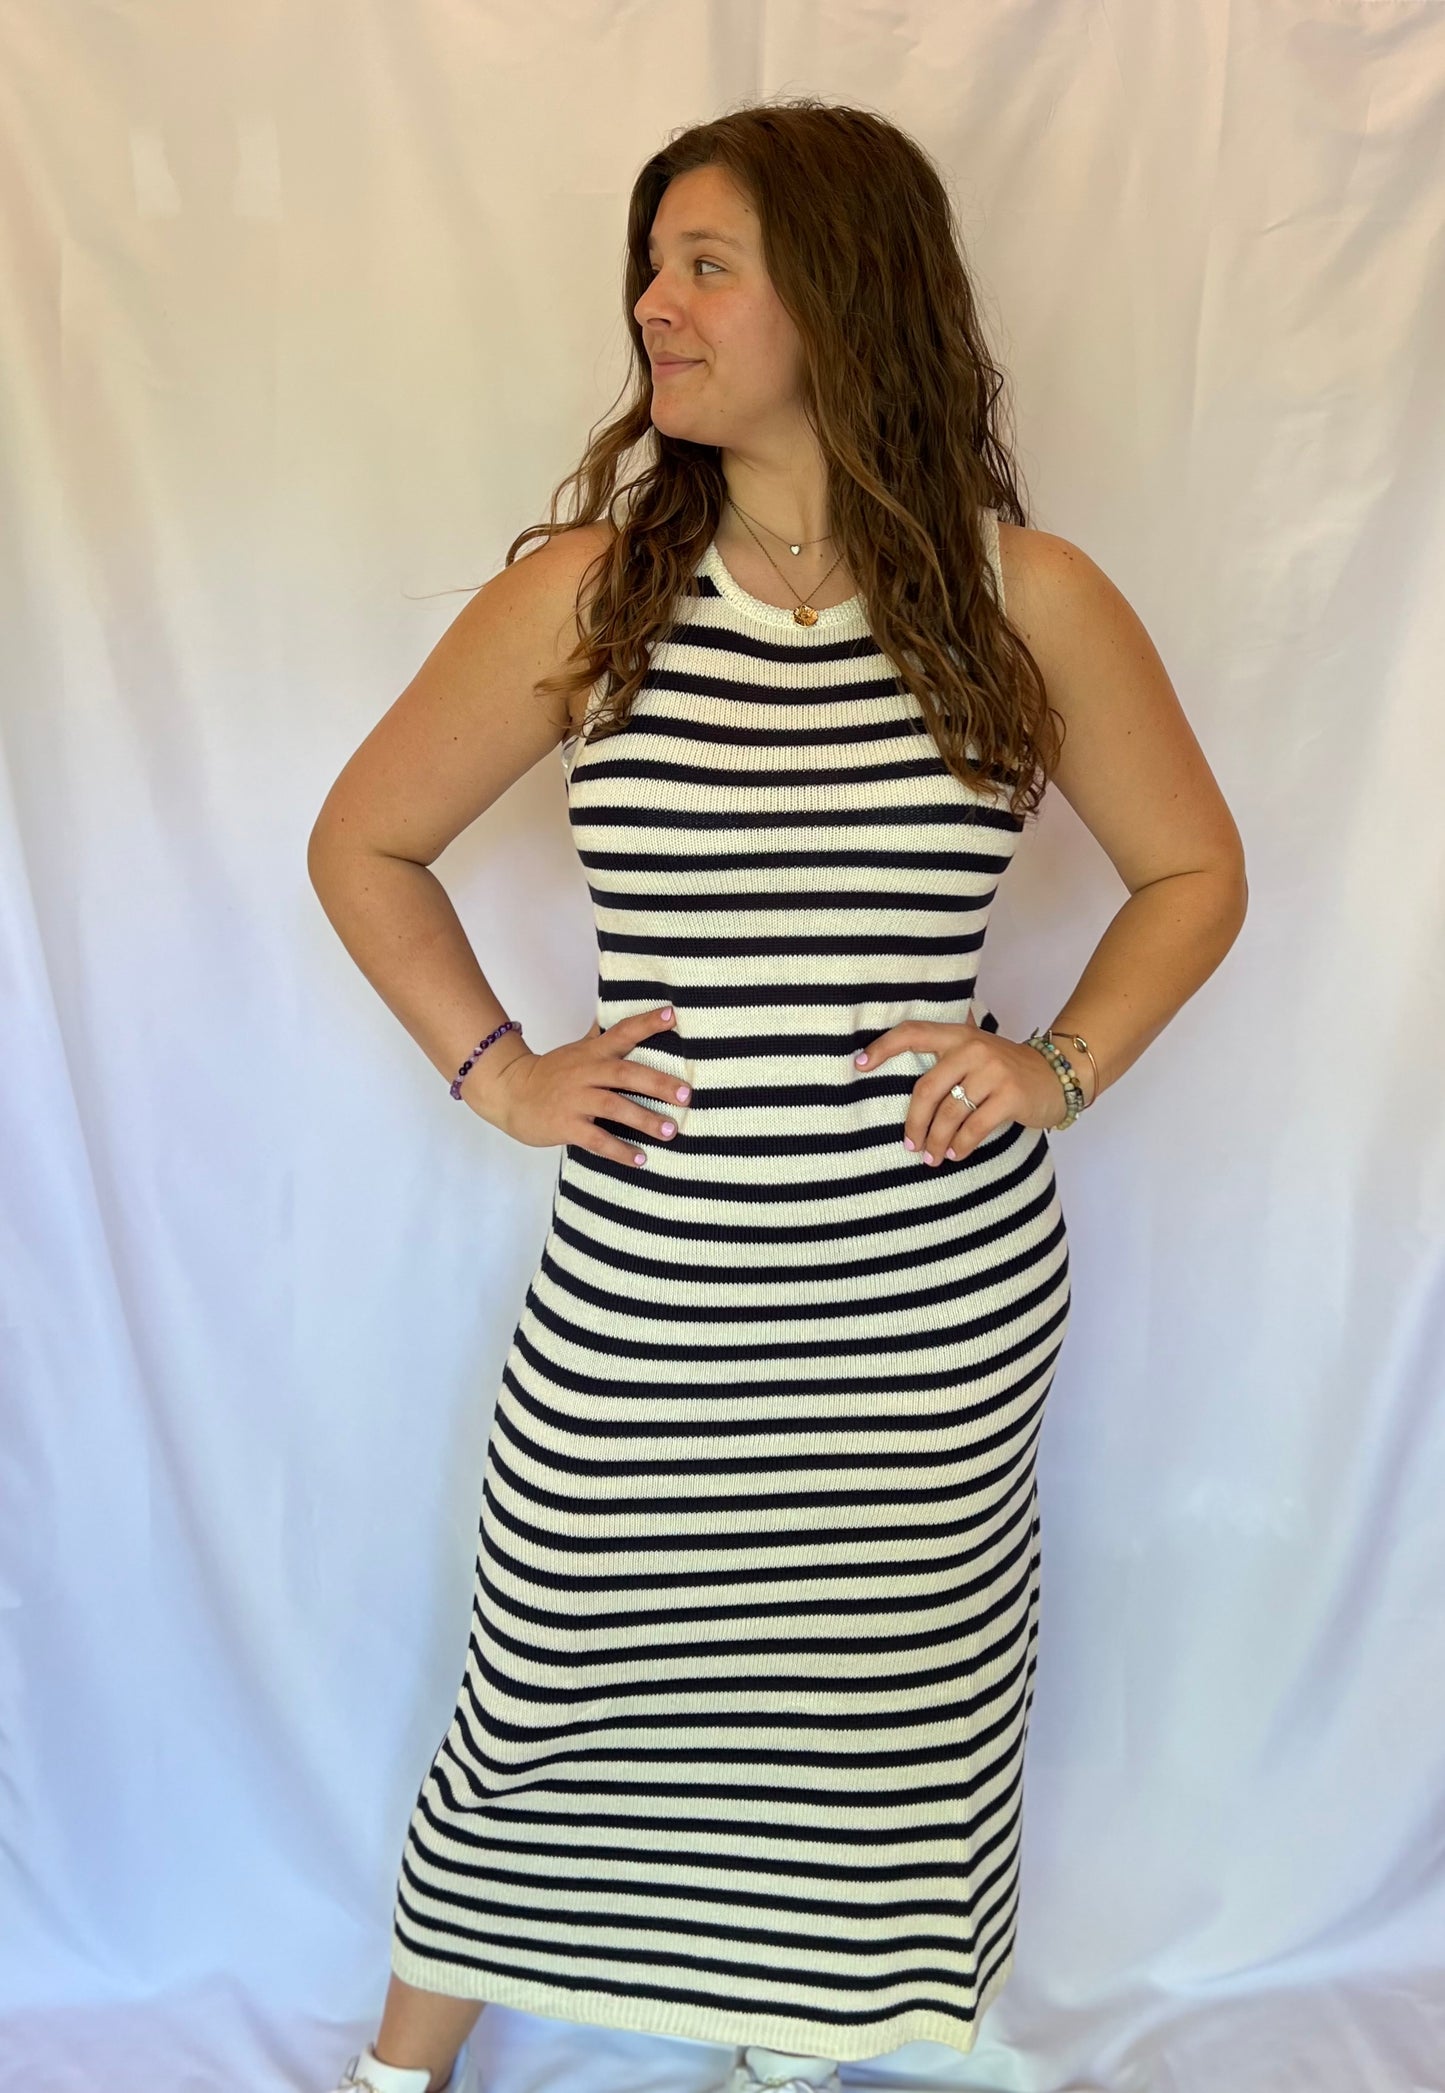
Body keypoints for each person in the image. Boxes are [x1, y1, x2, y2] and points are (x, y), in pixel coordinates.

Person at [307, 97, 1247, 2093]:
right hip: (653, 1279)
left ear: (840, 290)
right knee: (549, 1664)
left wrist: (1054, 1065)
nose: (655, 305)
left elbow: (1193, 872)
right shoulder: (593, 596)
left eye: (705, 265)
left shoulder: (1023, 597)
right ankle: (400, 2070)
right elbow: (363, 842)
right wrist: (499, 1075)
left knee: (887, 1696)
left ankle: (803, 2035)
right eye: (652, 267)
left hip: (929, 1295)